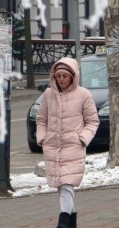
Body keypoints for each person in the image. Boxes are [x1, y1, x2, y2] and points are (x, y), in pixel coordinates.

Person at [36, 57, 99, 228]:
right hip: (53, 147)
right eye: (59, 76)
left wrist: (83, 138)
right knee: (61, 186)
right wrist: (42, 137)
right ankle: (70, 223)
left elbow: (92, 121)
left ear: (73, 76)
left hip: (73, 147)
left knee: (67, 184)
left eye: (65, 76)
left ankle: (63, 222)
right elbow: (41, 119)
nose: (62, 79)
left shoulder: (83, 95)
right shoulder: (48, 95)